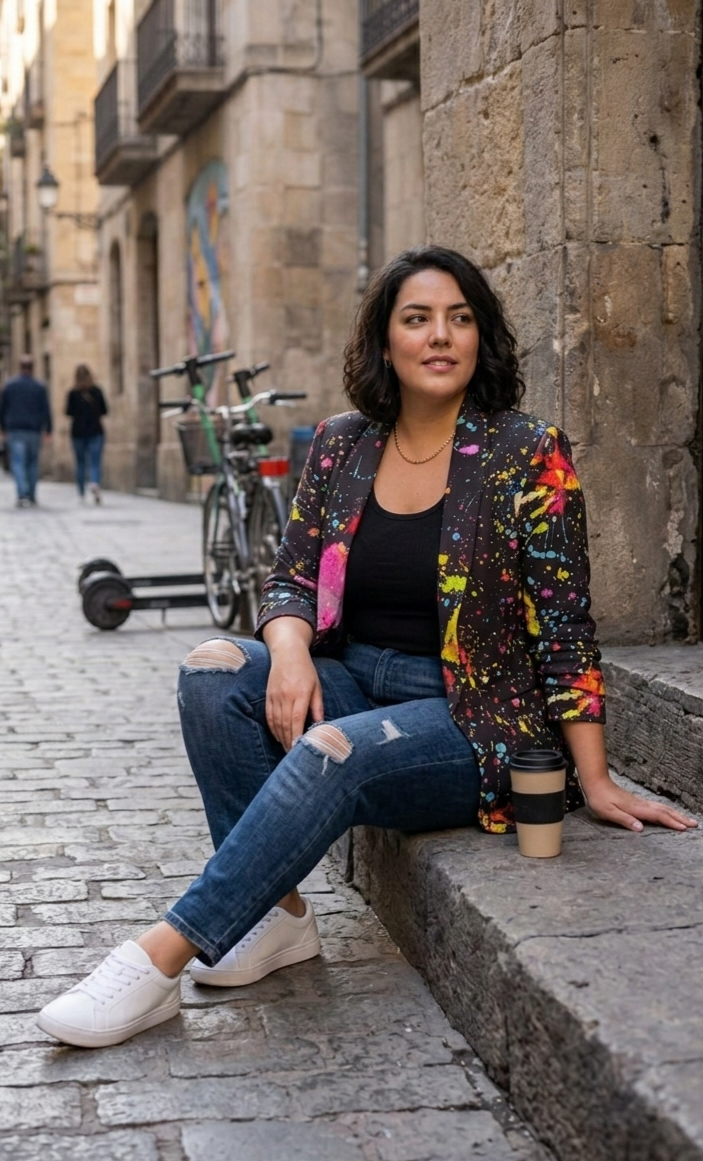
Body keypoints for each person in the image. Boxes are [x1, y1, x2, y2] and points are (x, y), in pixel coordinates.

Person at [37, 245, 697, 1049]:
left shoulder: (527, 453)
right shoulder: (341, 445)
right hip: (353, 677)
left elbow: (563, 628)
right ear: (385, 341)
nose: (439, 335)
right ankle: (277, 919)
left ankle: (158, 957)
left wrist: (591, 777)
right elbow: (290, 576)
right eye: (416, 319)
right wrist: (288, 652)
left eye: (459, 318)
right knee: (212, 670)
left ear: (481, 337)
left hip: (472, 716)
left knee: (332, 749)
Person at [0, 354, 52, 507]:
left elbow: (2, 409)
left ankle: (22, 494)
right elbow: (46, 409)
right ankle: (32, 494)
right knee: (32, 462)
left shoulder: (10, 386)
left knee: (18, 462)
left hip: (15, 429)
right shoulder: (39, 387)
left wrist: (3, 427)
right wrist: (48, 429)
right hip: (34, 430)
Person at [65, 364, 108, 504]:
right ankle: (94, 482)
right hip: (95, 430)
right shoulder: (97, 391)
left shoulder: (73, 393)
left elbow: (68, 412)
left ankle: (81, 494)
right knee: (95, 461)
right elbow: (104, 410)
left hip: (78, 432)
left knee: (80, 463)